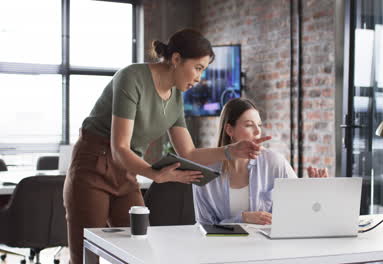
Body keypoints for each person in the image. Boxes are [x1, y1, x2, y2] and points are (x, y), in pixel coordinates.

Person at [63, 29, 270, 264]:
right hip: (93, 165)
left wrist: (230, 151)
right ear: (176, 59)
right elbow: (119, 147)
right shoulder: (132, 77)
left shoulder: (176, 99)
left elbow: (189, 153)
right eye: (198, 68)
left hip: (127, 171)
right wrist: (155, 175)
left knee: (140, 250)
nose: (200, 78)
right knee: (84, 257)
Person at [193, 98, 328, 225]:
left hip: (267, 246)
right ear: (229, 130)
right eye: (249, 125)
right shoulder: (206, 171)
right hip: (221, 248)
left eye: (259, 125)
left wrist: (316, 189)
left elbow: (298, 208)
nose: (257, 131)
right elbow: (205, 227)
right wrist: (243, 218)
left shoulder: (275, 162)